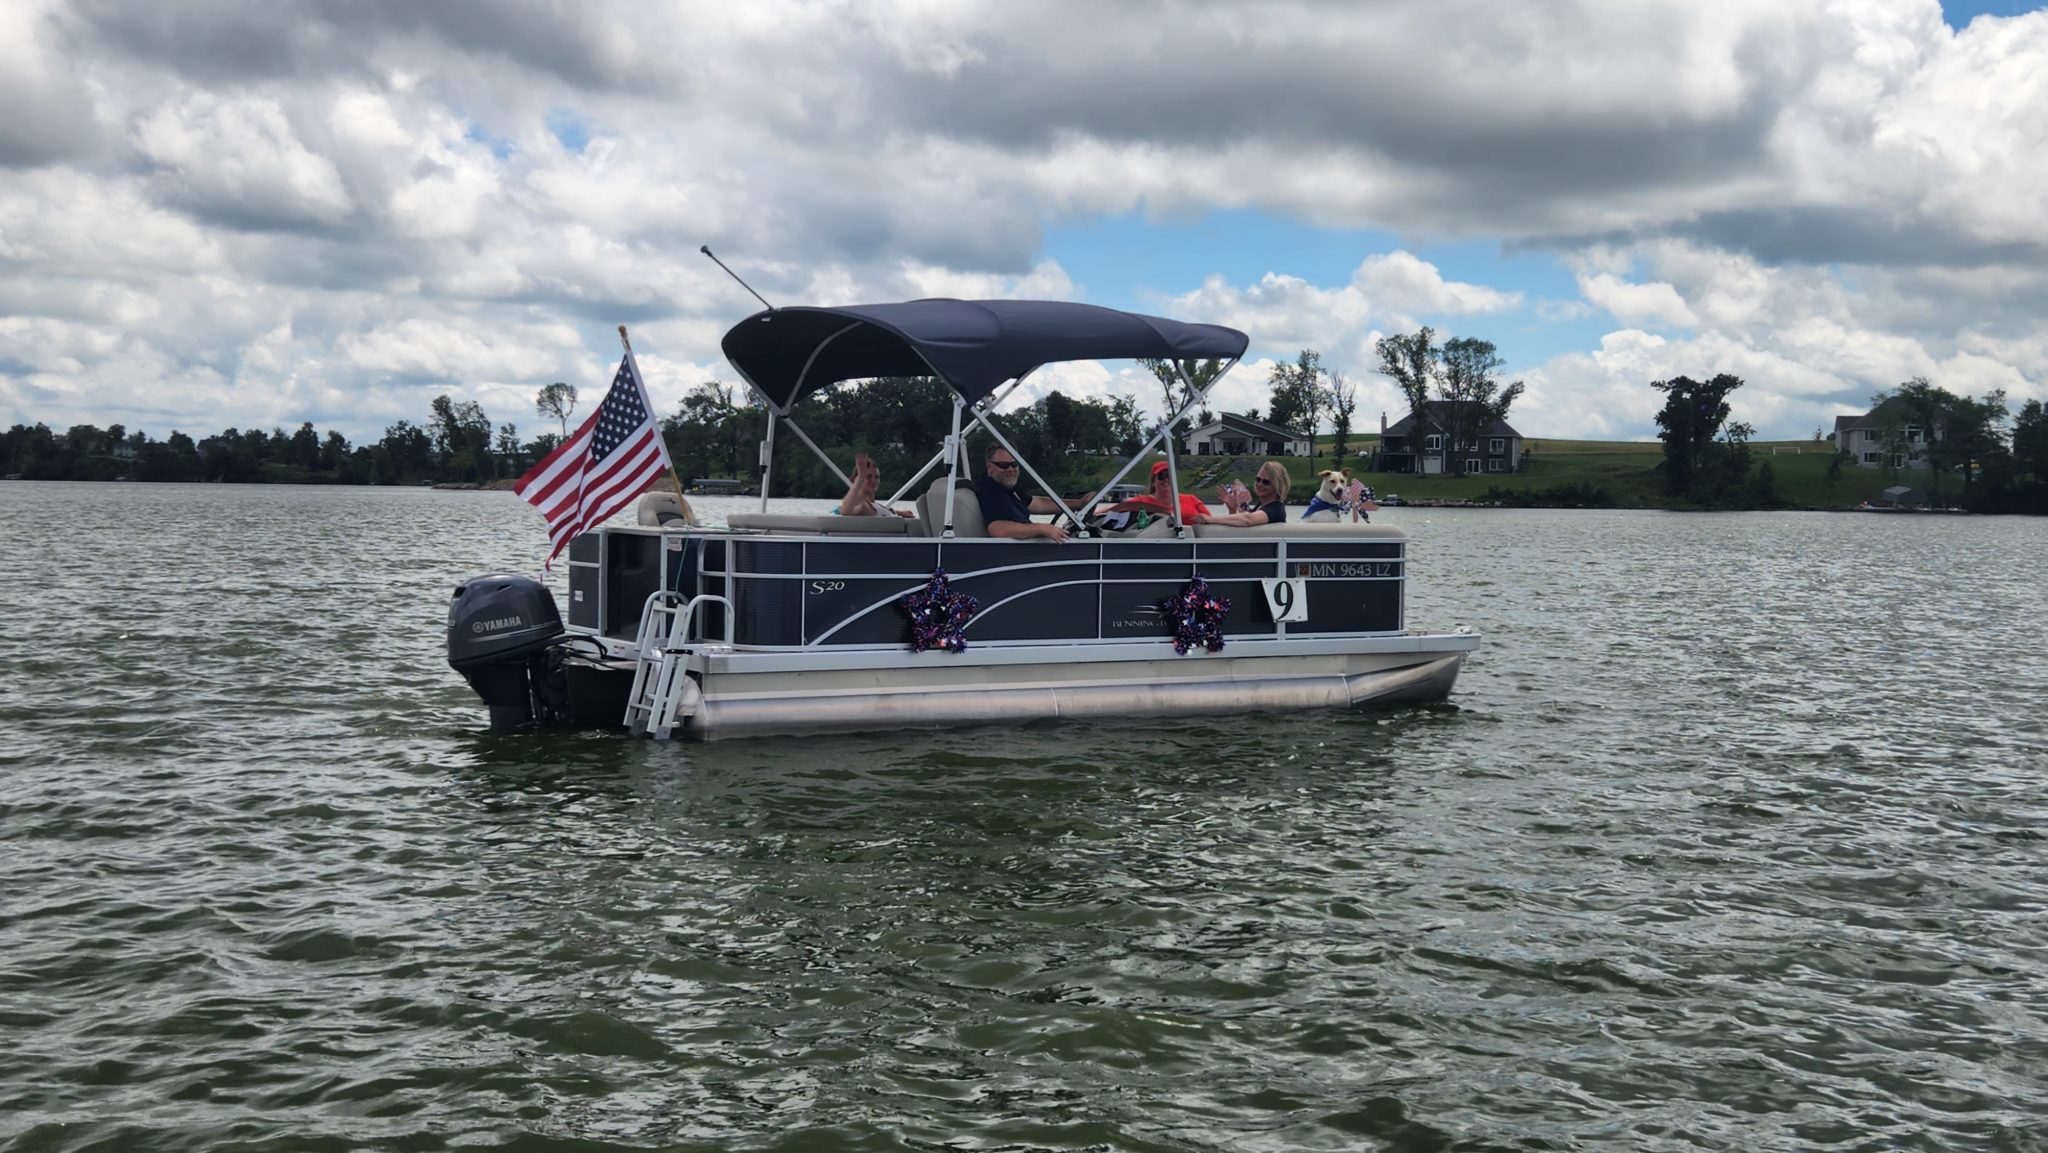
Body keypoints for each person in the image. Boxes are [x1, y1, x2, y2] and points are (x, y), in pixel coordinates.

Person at [975, 445, 1085, 542]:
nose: (1010, 469)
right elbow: (998, 529)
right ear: (989, 467)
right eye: (1004, 465)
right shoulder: (988, 490)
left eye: (1014, 464)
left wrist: (1079, 503)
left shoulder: (1007, 487)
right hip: (1018, 557)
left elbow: (1039, 504)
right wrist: (1042, 528)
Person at [1197, 460, 1289, 526]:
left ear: (1277, 485)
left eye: (1266, 482)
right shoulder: (1261, 507)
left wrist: (1209, 519)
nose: (1260, 484)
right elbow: (1243, 525)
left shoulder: (1276, 509)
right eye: (1258, 480)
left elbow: (1248, 520)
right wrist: (1232, 509)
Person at [836, 452, 912, 518]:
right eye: (868, 476)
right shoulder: (864, 507)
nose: (873, 480)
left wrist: (897, 512)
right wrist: (861, 476)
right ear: (855, 480)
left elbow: (878, 511)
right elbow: (846, 512)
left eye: (876, 477)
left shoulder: (873, 506)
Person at [1142, 460, 1210, 523]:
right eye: (1161, 476)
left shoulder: (1191, 499)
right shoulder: (1143, 503)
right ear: (1153, 482)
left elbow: (1210, 520)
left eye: (1169, 475)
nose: (1166, 479)